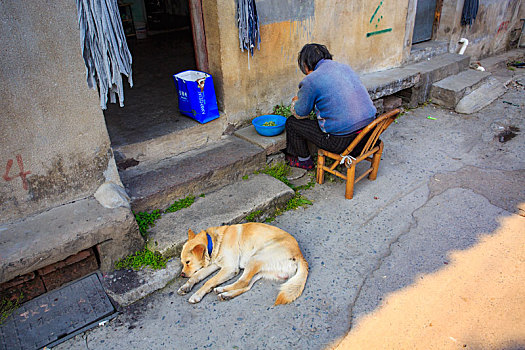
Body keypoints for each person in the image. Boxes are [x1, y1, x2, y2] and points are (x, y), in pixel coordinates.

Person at [284, 43, 377, 170]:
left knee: (292, 123)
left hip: (343, 143)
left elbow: (300, 113)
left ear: (305, 65)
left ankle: (304, 161)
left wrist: (296, 101)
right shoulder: (345, 68)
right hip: (370, 135)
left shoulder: (311, 80)